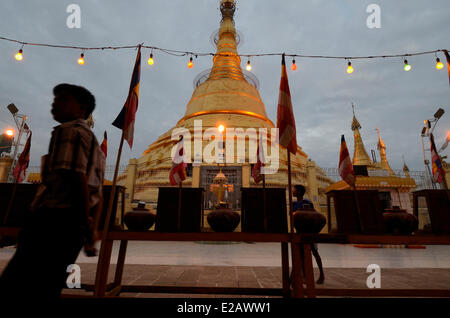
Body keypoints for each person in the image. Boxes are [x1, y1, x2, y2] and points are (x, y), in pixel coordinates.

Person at [0, 83, 105, 298]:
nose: (55, 103)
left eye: (64, 100)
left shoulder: (69, 132)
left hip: (53, 220)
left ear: (81, 108)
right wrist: (90, 225)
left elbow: (76, 178)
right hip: (71, 225)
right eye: (55, 99)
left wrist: (84, 221)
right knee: (46, 286)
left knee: (16, 285)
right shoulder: (93, 142)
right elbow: (97, 191)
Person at [293, 184, 325, 284]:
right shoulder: (294, 204)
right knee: (301, 254)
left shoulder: (306, 203)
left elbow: (312, 214)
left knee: (315, 252)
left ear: (298, 192)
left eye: (294, 190)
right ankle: (304, 275)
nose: (292, 191)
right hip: (299, 231)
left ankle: (321, 274)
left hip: (310, 232)